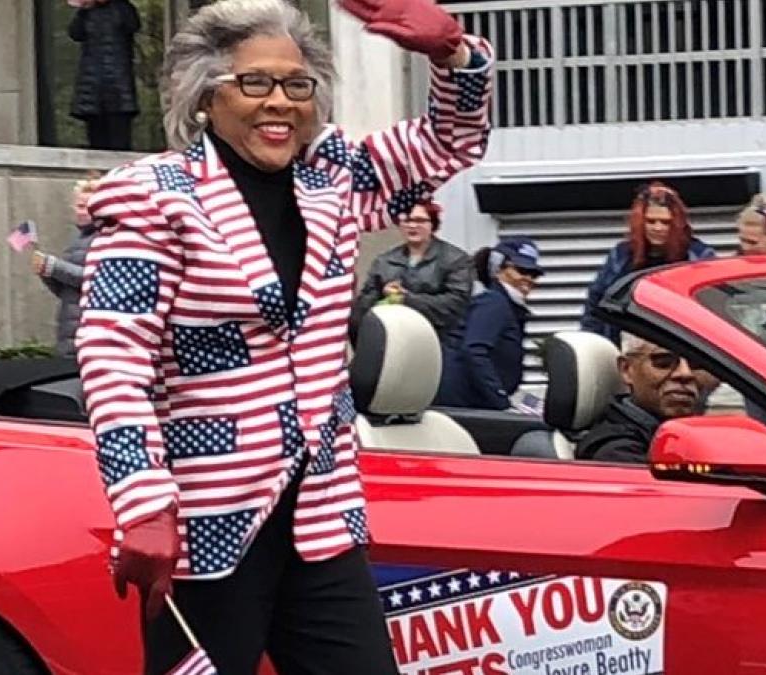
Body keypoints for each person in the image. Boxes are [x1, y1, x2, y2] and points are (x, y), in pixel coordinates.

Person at [74, 0, 493, 672]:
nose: (281, 102)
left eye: (298, 84)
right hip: (206, 524)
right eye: (255, 82)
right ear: (206, 96)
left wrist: (454, 57)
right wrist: (144, 502)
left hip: (322, 514)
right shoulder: (154, 197)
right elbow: (113, 359)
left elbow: (449, 144)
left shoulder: (333, 177)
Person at [580, 182, 716, 345]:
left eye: (665, 222)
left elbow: (710, 308)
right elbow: (596, 302)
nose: (658, 228)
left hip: (681, 343)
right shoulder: (621, 255)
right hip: (626, 342)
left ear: (676, 224)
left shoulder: (698, 256)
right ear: (640, 222)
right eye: (651, 221)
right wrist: (593, 343)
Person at [434, 237, 543, 410]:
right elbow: (474, 350)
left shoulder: (506, 305)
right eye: (522, 270)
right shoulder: (494, 302)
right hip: (465, 405)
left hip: (473, 404)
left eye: (534, 274)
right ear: (497, 269)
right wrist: (500, 400)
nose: (528, 279)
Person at [576, 334, 720, 464]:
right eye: (663, 362)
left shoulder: (689, 430)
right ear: (627, 369)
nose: (685, 373)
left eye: (697, 363)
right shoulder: (618, 453)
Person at [350, 199, 472, 343]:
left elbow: (456, 304)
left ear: (433, 224)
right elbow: (363, 306)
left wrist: (407, 299)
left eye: (420, 220)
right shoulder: (384, 260)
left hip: (440, 340)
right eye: (406, 220)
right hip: (394, 339)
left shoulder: (455, 259)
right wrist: (383, 294)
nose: (412, 225)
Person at [32, 174, 101, 358]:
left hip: (92, 332)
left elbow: (99, 280)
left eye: (86, 207)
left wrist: (54, 267)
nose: (81, 212)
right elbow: (66, 291)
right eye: (79, 206)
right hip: (70, 331)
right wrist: (46, 273)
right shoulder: (77, 239)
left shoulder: (108, 238)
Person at [68, 0, 141, 151]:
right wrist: (83, 9)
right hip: (92, 84)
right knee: (96, 140)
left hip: (118, 84)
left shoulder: (123, 8)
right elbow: (75, 33)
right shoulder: (87, 13)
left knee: (119, 139)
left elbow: (133, 25)